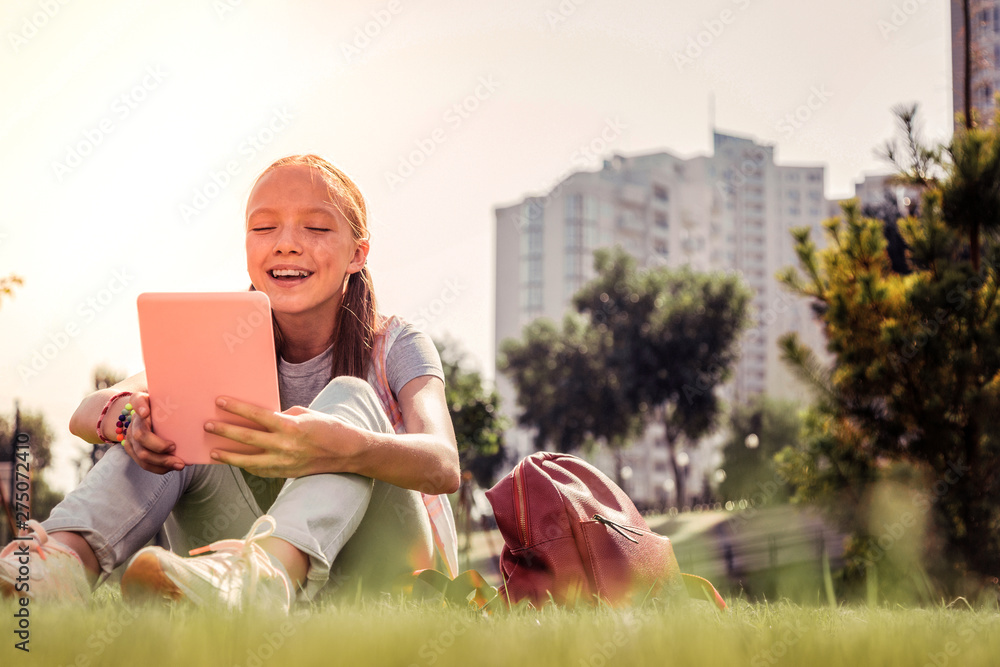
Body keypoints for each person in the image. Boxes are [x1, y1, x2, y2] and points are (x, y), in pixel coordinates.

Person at [0, 155, 461, 611]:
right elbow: (87, 413)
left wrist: (347, 447)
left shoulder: (395, 344)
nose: (286, 244)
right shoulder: (225, 344)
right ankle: (59, 565)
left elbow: (444, 464)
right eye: (264, 229)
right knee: (166, 411)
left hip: (386, 566)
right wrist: (131, 422)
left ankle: (264, 577)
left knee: (352, 396)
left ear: (357, 254)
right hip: (260, 574)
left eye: (316, 228)